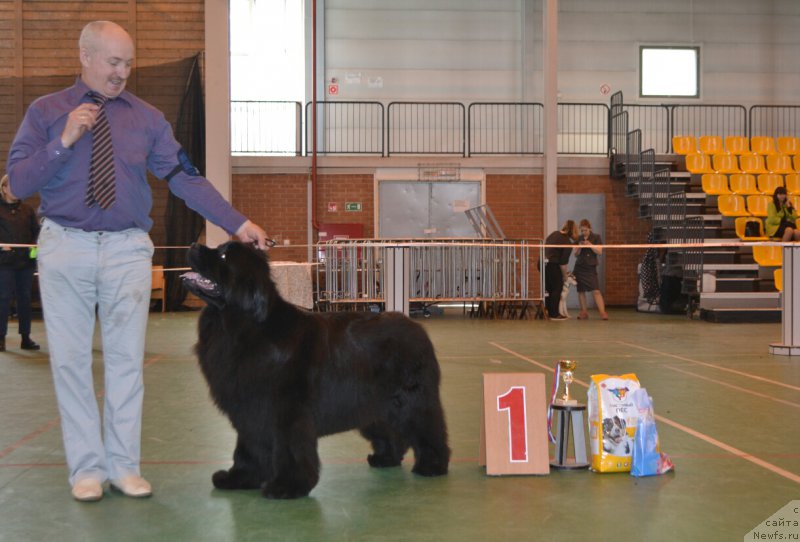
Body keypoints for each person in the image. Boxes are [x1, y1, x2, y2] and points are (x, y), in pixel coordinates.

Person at [6, 21, 268, 503]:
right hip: (65, 246)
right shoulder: (45, 111)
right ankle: (86, 470)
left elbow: (185, 178)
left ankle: (124, 467)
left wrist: (237, 222)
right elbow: (18, 183)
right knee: (71, 364)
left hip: (127, 249)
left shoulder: (147, 119)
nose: (121, 72)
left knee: (127, 363)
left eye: (128, 63)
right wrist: (64, 139)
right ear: (85, 55)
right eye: (113, 62)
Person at [0, 174, 41, 352]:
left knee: (25, 299)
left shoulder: (27, 210)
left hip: (25, 263)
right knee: (3, 299)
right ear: (3, 188)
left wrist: (33, 248)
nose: (17, 189)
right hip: (4, 263)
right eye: (12, 185)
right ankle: (1, 338)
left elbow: (36, 232)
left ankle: (26, 337)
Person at [572, 218, 608, 320]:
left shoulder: (596, 237)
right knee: (581, 291)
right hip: (580, 267)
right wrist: (579, 247)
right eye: (582, 230)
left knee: (596, 290)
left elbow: (599, 252)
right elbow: (575, 254)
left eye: (585, 230)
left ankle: (602, 312)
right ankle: (584, 312)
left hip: (590, 267)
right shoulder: (578, 238)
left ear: (590, 228)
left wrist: (590, 245)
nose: (584, 232)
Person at [544, 220, 577, 320]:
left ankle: (547, 311)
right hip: (552, 264)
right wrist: (565, 276)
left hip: (542, 263)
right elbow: (563, 264)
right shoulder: (567, 242)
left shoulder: (554, 234)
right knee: (557, 288)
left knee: (548, 288)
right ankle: (554, 314)